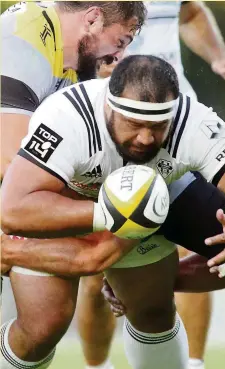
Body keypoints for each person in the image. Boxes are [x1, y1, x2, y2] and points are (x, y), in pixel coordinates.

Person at [1, 55, 225, 369]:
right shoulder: (66, 117)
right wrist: (110, 214)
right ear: (109, 107)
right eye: (134, 124)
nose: (146, 138)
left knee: (152, 310)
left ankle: (160, 284)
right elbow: (11, 209)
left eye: (158, 127)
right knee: (42, 329)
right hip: (67, 200)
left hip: (160, 194)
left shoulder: (194, 122)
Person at [0, 2, 146, 369]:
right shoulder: (20, 42)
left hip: (15, 192)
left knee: (46, 322)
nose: (121, 55)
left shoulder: (76, 67)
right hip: (8, 183)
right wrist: (106, 221)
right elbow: (9, 162)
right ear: (93, 18)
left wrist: (106, 254)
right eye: (121, 40)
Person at [98, 2, 225, 368]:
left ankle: (194, 364)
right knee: (97, 270)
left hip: (175, 131)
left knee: (200, 245)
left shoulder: (192, 123)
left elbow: (189, 11)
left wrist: (218, 58)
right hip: (108, 136)